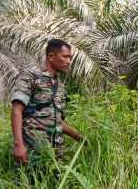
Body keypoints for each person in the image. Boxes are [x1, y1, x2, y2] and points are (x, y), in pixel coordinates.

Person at [10, 38, 86, 166]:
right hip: (32, 148)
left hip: (55, 151)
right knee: (28, 184)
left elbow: (58, 120)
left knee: (54, 185)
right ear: (51, 56)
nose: (68, 61)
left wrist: (81, 139)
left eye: (70, 58)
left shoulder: (60, 86)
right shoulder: (31, 76)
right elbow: (16, 110)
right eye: (65, 57)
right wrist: (19, 145)